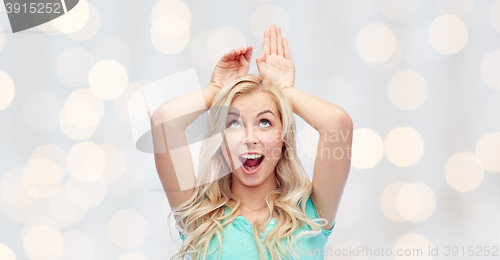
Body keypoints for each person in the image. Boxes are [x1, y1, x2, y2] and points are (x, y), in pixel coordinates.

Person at [150, 24, 353, 260]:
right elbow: (164, 121)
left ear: (283, 137)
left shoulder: (312, 213)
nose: (249, 139)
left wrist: (284, 90)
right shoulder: (199, 217)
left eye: (265, 122)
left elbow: (337, 123)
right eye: (234, 123)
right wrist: (215, 89)